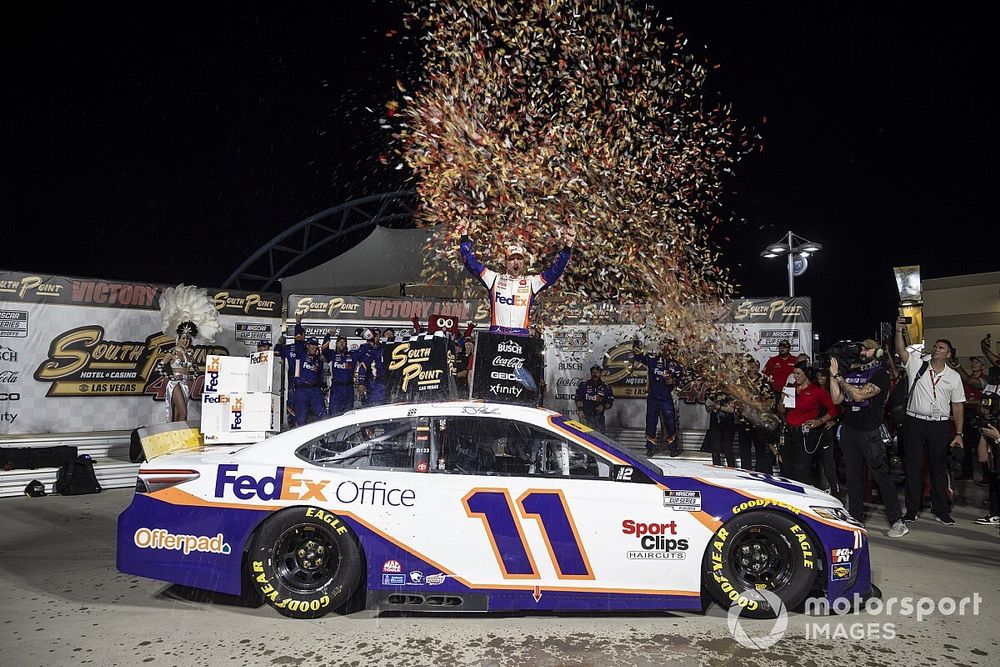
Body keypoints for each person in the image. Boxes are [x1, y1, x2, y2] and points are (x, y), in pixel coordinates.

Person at [829, 340, 908, 537]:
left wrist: (838, 376)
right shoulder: (853, 372)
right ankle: (856, 517)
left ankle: (897, 520)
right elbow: (836, 399)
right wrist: (833, 375)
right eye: (862, 349)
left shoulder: (880, 374)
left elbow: (858, 396)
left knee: (881, 475)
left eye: (868, 348)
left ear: (878, 352)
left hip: (870, 432)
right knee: (853, 477)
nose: (863, 351)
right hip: (850, 430)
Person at [894, 319, 966, 526]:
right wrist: (899, 331)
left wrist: (959, 434)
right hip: (914, 422)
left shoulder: (953, 377)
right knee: (913, 468)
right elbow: (901, 351)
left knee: (938, 468)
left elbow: (958, 406)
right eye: (935, 346)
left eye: (941, 348)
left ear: (948, 354)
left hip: (939, 425)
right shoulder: (918, 365)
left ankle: (941, 509)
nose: (936, 349)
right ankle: (911, 510)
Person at [456, 221, 576, 336]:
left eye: (519, 259)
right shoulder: (494, 279)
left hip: (521, 336)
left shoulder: (531, 282)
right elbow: (470, 263)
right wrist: (465, 236)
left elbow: (556, 271)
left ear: (524, 262)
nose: (516, 262)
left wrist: (568, 246)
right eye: (512, 259)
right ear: (505, 262)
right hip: (496, 334)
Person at [781, 363, 836, 487]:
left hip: (804, 434)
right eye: (794, 373)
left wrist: (820, 421)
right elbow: (782, 410)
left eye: (798, 373)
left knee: (801, 469)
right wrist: (782, 400)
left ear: (807, 374)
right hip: (789, 432)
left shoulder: (817, 391)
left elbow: (833, 409)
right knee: (788, 468)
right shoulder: (791, 388)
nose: (795, 376)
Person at [631, 338, 684, 457]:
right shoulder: (652, 360)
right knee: (651, 422)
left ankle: (673, 448)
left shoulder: (676, 365)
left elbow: (681, 380)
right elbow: (638, 357)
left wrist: (673, 381)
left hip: (666, 397)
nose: (666, 348)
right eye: (663, 345)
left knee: (670, 423)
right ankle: (650, 448)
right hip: (653, 397)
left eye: (669, 346)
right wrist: (635, 345)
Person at [290, 311, 328, 424]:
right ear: (307, 345)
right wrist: (298, 323)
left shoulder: (318, 359)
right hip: (302, 389)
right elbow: (297, 340)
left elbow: (321, 375)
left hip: (315, 390)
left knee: (323, 417)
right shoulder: (300, 353)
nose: (314, 347)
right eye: (312, 344)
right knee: (301, 419)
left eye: (316, 345)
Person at [812, 367, 842, 497]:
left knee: (829, 464)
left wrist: (834, 421)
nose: (820, 379)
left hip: (828, 430)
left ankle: (836, 492)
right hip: (815, 430)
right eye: (818, 377)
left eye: (823, 376)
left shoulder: (833, 391)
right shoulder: (814, 390)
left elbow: (841, 408)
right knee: (814, 463)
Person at [158, 324, 198, 422]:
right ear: (178, 339)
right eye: (183, 338)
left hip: (185, 384)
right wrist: (172, 377)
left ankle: (176, 435)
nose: (185, 341)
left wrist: (191, 377)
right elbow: (159, 368)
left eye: (188, 339)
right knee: (183, 413)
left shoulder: (189, 355)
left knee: (177, 414)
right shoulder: (172, 353)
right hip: (175, 384)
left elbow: (196, 370)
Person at [323, 332, 360, 417]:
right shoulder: (332, 354)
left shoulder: (353, 355)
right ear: (336, 343)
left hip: (349, 388)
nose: (342, 343)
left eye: (344, 342)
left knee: (348, 414)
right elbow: (324, 349)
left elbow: (364, 351)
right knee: (334, 414)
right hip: (336, 388)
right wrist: (328, 335)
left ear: (346, 344)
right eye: (340, 341)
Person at [574, 365, 615, 431]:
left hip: (599, 417)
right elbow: (578, 399)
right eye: (593, 372)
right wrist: (580, 410)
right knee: (586, 435)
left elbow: (610, 402)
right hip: (586, 416)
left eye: (597, 372)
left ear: (600, 373)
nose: (595, 374)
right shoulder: (584, 385)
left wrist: (603, 406)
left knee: (600, 436)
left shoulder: (606, 388)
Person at [705, 391, 738, 467]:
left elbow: (732, 410)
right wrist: (712, 406)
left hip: (728, 423)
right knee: (715, 448)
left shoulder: (730, 394)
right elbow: (707, 408)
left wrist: (719, 407)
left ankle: (731, 467)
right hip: (715, 423)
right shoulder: (712, 394)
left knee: (728, 448)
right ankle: (716, 467)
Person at [357, 328, 388, 406]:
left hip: (384, 381)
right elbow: (362, 365)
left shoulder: (384, 348)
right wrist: (361, 382)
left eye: (377, 335)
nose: (375, 337)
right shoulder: (364, 348)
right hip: (371, 381)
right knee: (372, 406)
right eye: (374, 335)